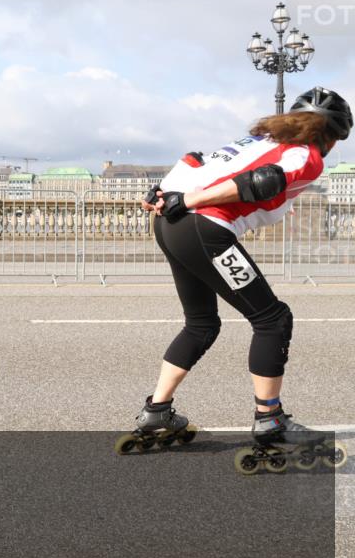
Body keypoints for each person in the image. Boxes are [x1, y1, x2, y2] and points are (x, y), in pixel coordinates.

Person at [132, 87, 352, 446]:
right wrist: (190, 200)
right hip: (206, 229)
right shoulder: (307, 155)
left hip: (171, 226)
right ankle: (270, 419)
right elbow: (260, 182)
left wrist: (162, 193)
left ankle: (157, 411)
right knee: (273, 319)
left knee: (201, 323)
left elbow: (192, 159)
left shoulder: (257, 139)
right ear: (329, 135)